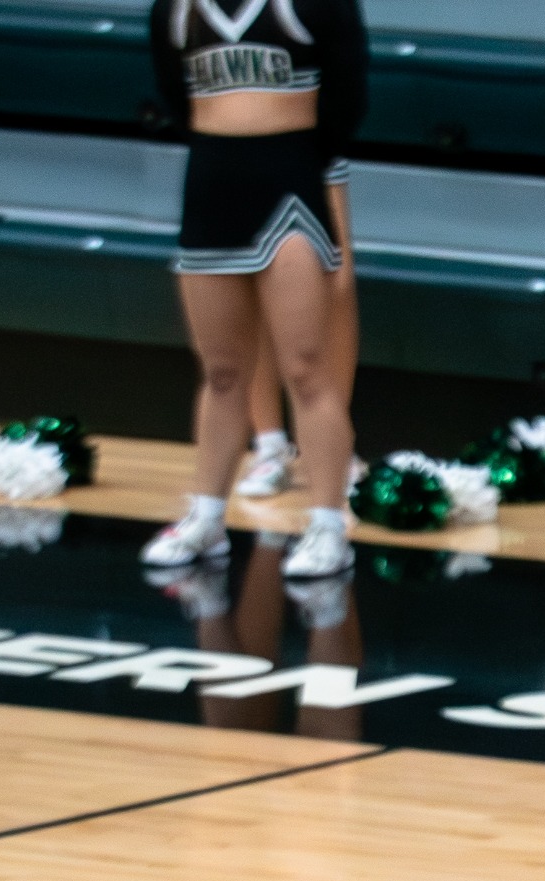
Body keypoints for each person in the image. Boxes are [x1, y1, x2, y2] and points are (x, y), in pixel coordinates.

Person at [142, 0, 367, 577]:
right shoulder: (176, 9)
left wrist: (293, 158)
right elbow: (172, 94)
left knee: (306, 369)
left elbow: (348, 100)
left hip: (290, 185)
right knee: (220, 372)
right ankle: (207, 517)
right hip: (211, 185)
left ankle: (325, 525)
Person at [230, 156, 359, 500]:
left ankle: (335, 446)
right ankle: (270, 446)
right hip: (239, 147)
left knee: (336, 282)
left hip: (313, 144)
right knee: (248, 281)